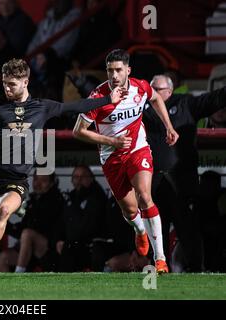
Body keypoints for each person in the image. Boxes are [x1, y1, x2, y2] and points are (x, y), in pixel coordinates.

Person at [0, 58, 127, 278]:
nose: (7, 88)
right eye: (4, 83)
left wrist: (108, 99)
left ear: (26, 81)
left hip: (17, 179)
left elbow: (75, 106)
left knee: (3, 212)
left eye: (12, 84)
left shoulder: (42, 107)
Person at [73, 49, 179, 274]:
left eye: (118, 70)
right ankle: (140, 229)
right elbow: (78, 131)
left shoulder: (140, 87)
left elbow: (156, 97)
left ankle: (160, 258)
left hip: (137, 149)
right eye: (110, 70)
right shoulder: (97, 98)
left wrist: (168, 127)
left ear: (127, 71)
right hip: (111, 157)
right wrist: (111, 140)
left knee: (144, 196)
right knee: (131, 211)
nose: (114, 75)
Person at [143, 74, 226, 271]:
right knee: (155, 231)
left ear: (170, 92)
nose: (153, 93)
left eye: (158, 89)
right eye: (151, 89)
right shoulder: (143, 109)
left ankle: (196, 271)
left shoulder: (185, 104)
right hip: (155, 184)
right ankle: (155, 272)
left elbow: (213, 99)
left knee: (189, 231)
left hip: (182, 184)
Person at [55, 165, 108, 272]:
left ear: (91, 178)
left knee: (70, 248)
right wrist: (59, 239)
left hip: (88, 244)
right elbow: (61, 222)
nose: (79, 180)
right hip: (71, 243)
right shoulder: (71, 197)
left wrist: (69, 241)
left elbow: (90, 226)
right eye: (76, 177)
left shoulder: (97, 196)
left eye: (83, 176)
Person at [14, 172, 64, 273]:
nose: (38, 183)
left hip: (50, 250)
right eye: (36, 179)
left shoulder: (56, 200)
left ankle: (17, 274)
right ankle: (9, 288)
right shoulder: (33, 200)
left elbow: (38, 227)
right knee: (2, 258)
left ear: (51, 183)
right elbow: (22, 228)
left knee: (27, 234)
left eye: (43, 180)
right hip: (30, 250)